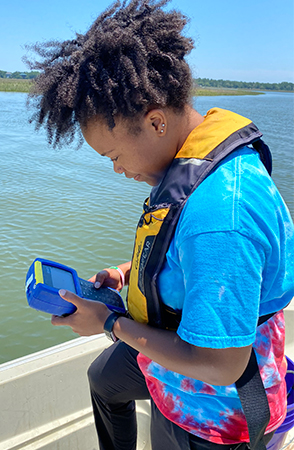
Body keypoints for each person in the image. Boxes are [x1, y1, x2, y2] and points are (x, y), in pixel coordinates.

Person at [26, 1, 294, 449]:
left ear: (155, 121)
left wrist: (110, 323)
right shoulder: (187, 160)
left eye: (113, 156)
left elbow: (222, 364)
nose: (116, 170)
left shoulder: (220, 218)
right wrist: (127, 277)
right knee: (104, 379)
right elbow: (182, 256)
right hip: (175, 348)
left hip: (213, 410)